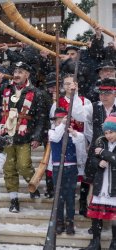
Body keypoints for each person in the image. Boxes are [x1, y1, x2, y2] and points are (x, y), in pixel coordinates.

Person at [0, 61, 47, 213]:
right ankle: (14, 200)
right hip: (6, 135)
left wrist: (37, 136)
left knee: (24, 166)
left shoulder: (36, 92)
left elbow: (40, 117)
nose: (16, 74)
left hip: (24, 136)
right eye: (15, 71)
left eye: (20, 71)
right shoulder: (5, 88)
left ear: (27, 75)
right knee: (9, 169)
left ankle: (33, 184)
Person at [50, 74, 90, 216]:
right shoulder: (58, 103)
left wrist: (88, 141)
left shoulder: (85, 101)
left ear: (77, 85)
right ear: (62, 86)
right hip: (62, 143)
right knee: (63, 184)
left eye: (71, 83)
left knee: (84, 173)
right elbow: (53, 124)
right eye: (66, 84)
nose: (69, 86)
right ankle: (61, 215)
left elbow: (88, 123)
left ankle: (83, 203)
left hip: (78, 140)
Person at [49, 108, 86, 235]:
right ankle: (59, 221)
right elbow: (55, 138)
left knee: (70, 196)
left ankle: (70, 221)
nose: (60, 123)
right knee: (59, 197)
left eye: (63, 121)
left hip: (71, 168)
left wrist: (74, 133)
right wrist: (62, 126)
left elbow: (81, 146)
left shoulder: (75, 134)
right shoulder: (52, 132)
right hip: (57, 167)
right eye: (58, 121)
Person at [82, 114, 116, 249]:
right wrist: (98, 162)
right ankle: (96, 241)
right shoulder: (101, 142)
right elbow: (92, 160)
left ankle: (114, 242)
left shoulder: (102, 147)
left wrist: (103, 153)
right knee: (96, 215)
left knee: (114, 216)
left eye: (112, 132)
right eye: (106, 133)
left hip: (114, 184)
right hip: (101, 183)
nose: (108, 136)